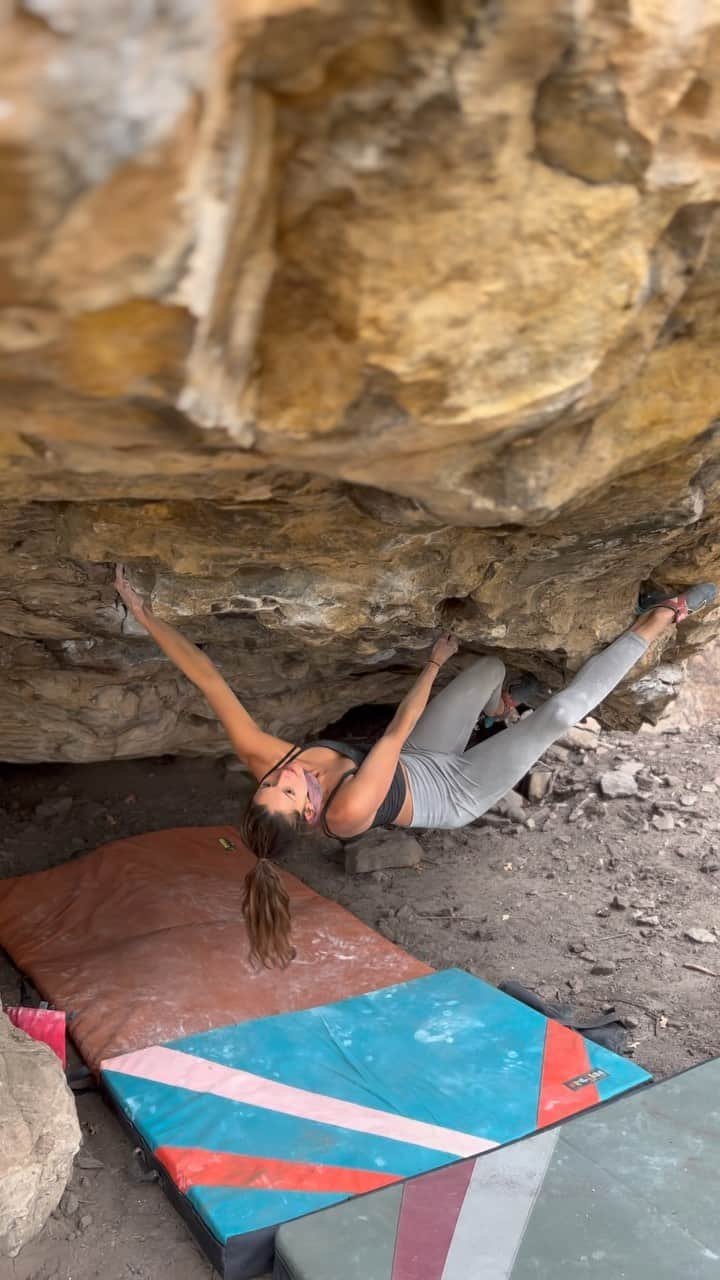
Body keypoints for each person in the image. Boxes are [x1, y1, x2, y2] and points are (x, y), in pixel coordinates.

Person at [114, 566, 716, 968]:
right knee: (558, 714)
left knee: (487, 672)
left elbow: (207, 679)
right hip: (454, 793)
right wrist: (432, 664)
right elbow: (395, 730)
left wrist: (144, 616)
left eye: (271, 781)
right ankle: (658, 618)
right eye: (290, 791)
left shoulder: (270, 761)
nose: (285, 776)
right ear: (311, 813)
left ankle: (501, 711)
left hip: (420, 757)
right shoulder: (347, 812)